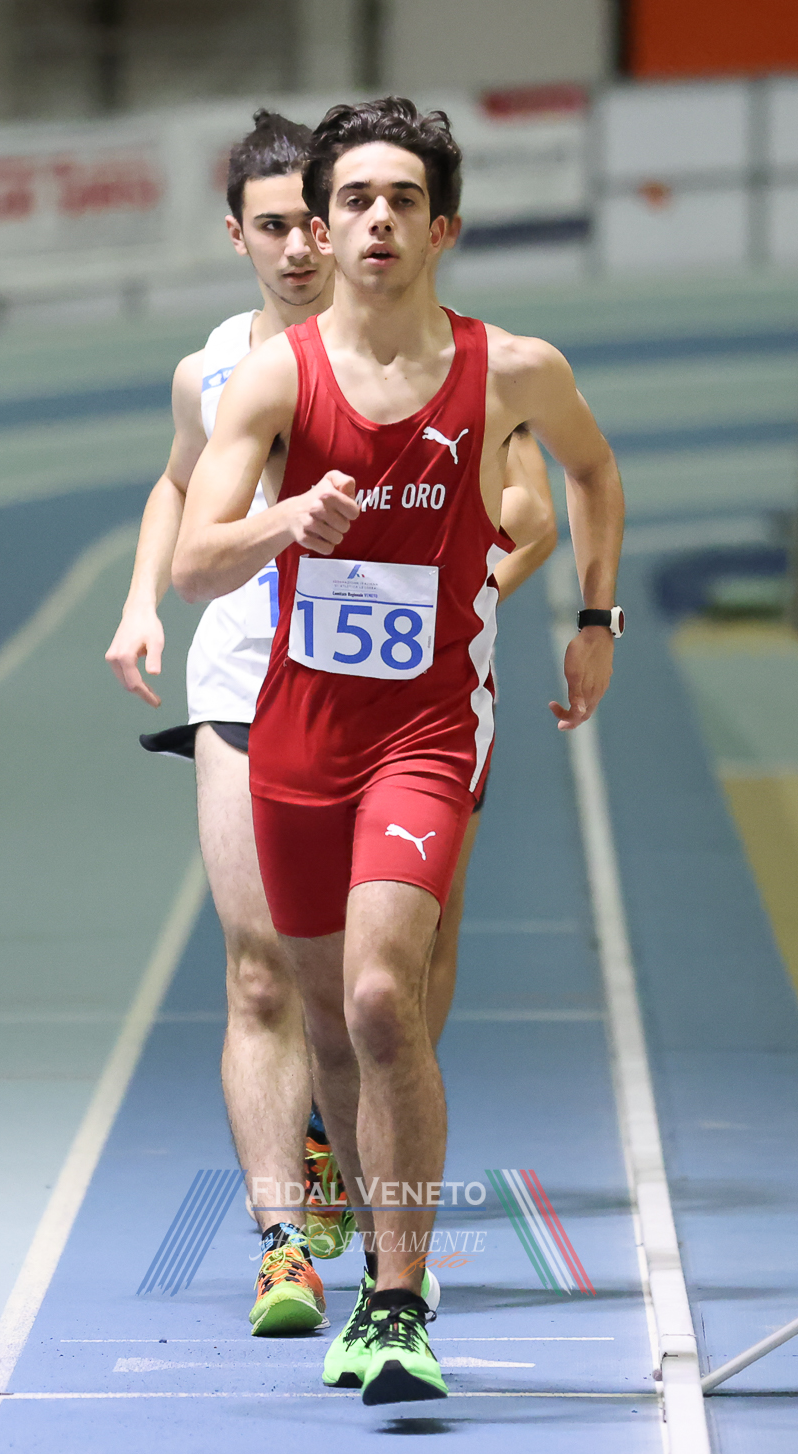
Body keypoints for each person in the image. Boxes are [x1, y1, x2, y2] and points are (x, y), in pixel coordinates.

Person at [174, 96, 624, 1406]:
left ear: (444, 229)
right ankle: (358, 1246)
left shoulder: (512, 369)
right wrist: (285, 521)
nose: (378, 221)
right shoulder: (272, 381)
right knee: (325, 1022)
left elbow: (593, 475)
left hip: (426, 732)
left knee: (382, 998)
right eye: (355, 201)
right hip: (298, 734)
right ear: (322, 228)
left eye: (403, 201)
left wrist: (594, 619)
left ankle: (396, 1294)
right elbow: (196, 559)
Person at [105, 111, 557, 1340]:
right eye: (278, 227)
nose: (305, 246)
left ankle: (367, 1168)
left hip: (407, 700)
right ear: (242, 238)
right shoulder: (219, 371)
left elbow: (531, 504)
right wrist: (143, 600)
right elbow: (179, 489)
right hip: (248, 685)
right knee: (261, 971)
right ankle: (281, 1242)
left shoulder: (445, 357)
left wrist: (478, 590)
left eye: (321, 221)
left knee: (390, 984)